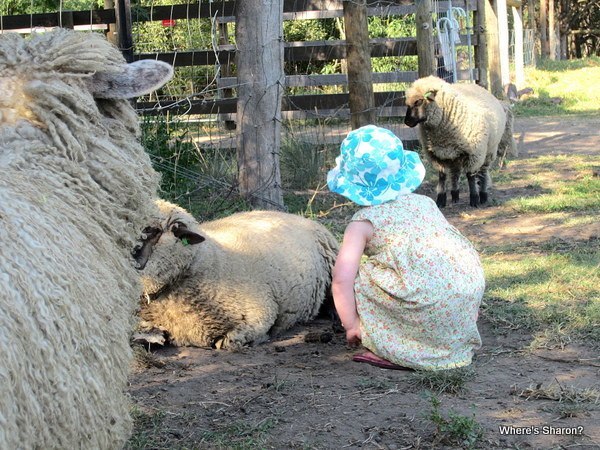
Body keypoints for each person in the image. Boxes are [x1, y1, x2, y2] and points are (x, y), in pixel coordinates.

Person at [327, 125, 485, 371]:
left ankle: (393, 343)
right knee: (439, 274)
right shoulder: (424, 203)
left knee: (365, 276)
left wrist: (352, 326)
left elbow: (341, 279)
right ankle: (456, 326)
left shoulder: (362, 223)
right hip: (466, 292)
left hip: (427, 305)